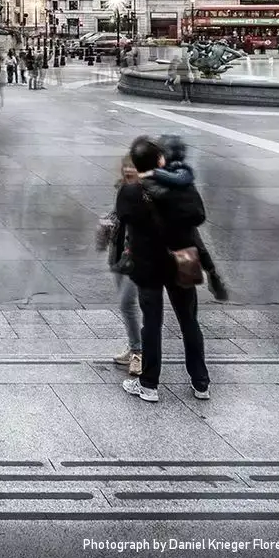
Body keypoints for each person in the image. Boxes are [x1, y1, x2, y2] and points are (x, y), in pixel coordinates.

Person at [118, 136, 210, 403]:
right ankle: (201, 383)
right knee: (189, 321)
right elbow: (199, 216)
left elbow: (124, 219)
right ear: (160, 160)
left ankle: (149, 385)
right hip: (181, 260)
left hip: (148, 266)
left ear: (135, 163)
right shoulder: (183, 187)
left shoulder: (131, 191)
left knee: (152, 324)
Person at [148, 137, 230, 301]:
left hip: (168, 242)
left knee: (159, 307)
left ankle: (211, 275)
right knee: (186, 305)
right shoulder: (180, 174)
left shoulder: (172, 174)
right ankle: (211, 274)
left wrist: (151, 175)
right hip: (183, 240)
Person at [97, 152, 146, 377]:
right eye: (126, 166)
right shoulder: (122, 189)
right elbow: (119, 215)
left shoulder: (148, 194)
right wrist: (108, 223)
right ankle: (134, 345)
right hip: (118, 254)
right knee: (126, 306)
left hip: (138, 258)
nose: (128, 170)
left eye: (133, 166)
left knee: (128, 302)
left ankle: (138, 353)